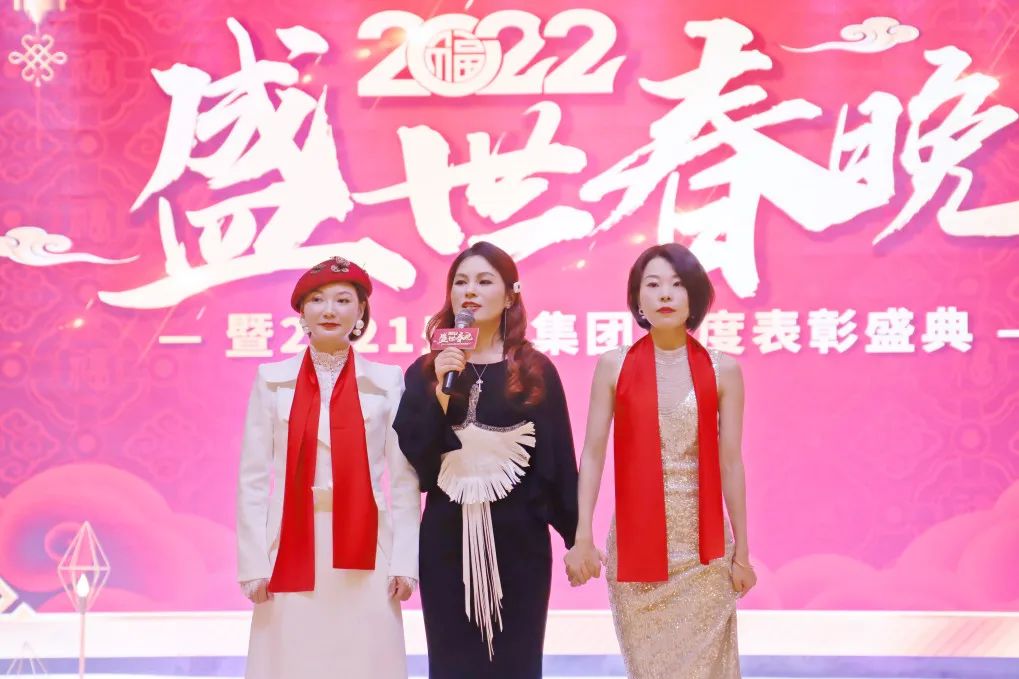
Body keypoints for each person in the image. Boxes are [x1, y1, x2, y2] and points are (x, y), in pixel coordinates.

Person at [565, 243, 756, 679]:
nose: (665, 294)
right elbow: (593, 453)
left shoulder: (724, 370)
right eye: (653, 285)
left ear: (695, 297)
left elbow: (731, 464)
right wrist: (582, 535)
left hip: (705, 555)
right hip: (636, 551)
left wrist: (742, 553)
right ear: (637, 299)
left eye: (677, 284)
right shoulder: (613, 366)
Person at [393, 241, 578, 679]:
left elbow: (558, 463)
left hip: (521, 545)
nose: (469, 291)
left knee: (517, 662)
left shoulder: (534, 370)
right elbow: (418, 462)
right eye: (460, 282)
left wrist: (579, 538)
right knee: (452, 663)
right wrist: (441, 392)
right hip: (445, 542)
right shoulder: (427, 370)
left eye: (483, 281)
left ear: (510, 295)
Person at [236, 256, 420, 679]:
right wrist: (252, 563)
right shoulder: (272, 380)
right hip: (289, 545)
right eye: (317, 300)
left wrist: (404, 561)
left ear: (361, 312)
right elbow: (252, 479)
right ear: (302, 312)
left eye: (342, 300)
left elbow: (404, 482)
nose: (329, 310)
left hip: (368, 547)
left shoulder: (386, 382)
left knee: (366, 661)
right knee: (291, 662)